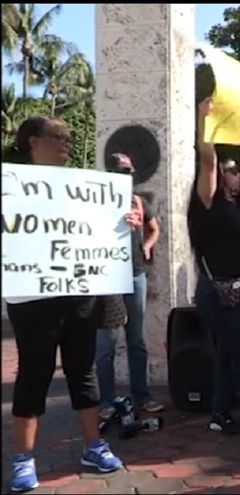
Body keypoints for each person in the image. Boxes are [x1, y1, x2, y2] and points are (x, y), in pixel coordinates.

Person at [4, 116, 124, 493]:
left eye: (70, 138)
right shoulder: (9, 187)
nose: (68, 143)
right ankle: (23, 460)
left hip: (78, 294)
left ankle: (94, 446)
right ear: (33, 141)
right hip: (32, 296)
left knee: (82, 370)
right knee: (34, 374)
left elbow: (104, 229)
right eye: (60, 137)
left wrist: (126, 220)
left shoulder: (81, 187)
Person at [189, 99, 240, 435]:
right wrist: (203, 122)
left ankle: (220, 411)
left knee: (228, 353)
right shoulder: (205, 202)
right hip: (216, 291)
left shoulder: (238, 202)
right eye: (229, 170)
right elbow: (207, 159)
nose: (235, 174)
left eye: (236, 170)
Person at [96, 153, 164, 419]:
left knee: (136, 338)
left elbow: (154, 228)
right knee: (106, 343)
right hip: (108, 276)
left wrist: (146, 246)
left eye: (128, 173)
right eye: (120, 172)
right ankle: (106, 401)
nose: (125, 177)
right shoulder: (97, 202)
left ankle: (142, 396)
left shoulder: (138, 200)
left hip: (135, 274)